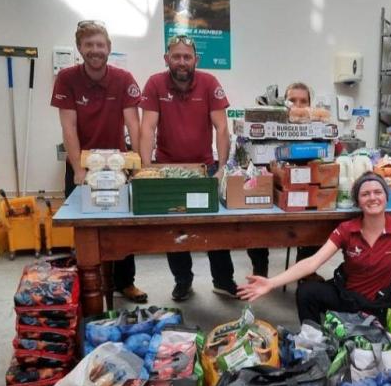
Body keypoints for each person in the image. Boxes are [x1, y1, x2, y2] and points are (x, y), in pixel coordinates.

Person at [239, 172, 391, 324]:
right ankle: (315, 342)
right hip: (346, 295)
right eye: (365, 194)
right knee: (307, 291)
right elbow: (312, 263)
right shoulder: (346, 229)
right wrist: (271, 283)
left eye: (378, 192)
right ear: (358, 201)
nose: (372, 197)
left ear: (386, 197)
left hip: (378, 302)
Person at [50, 20, 148, 303]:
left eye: (100, 45)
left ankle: (125, 282)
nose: (95, 50)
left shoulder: (124, 79)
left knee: (124, 225)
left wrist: (139, 164)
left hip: (117, 165)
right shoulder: (67, 78)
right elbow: (68, 127)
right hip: (82, 166)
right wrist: (79, 170)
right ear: (79, 48)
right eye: (89, 45)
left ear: (109, 48)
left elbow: (134, 124)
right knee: (85, 226)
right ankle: (86, 281)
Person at [139, 35, 238, 302]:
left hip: (204, 168)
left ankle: (223, 280)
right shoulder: (155, 83)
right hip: (168, 169)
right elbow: (147, 127)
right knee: (175, 227)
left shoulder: (209, 83)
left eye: (187, 57)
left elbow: (221, 127)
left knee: (214, 226)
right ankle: (183, 281)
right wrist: (147, 169)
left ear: (196, 59)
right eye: (176, 56)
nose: (182, 62)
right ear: (166, 59)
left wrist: (221, 168)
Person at [245, 82, 323, 281]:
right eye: (292, 100)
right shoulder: (271, 127)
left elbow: (332, 156)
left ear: (310, 105)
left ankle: (303, 271)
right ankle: (260, 272)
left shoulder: (318, 129)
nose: (298, 105)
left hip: (305, 198)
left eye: (303, 101)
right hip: (273, 196)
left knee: (320, 224)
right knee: (254, 223)